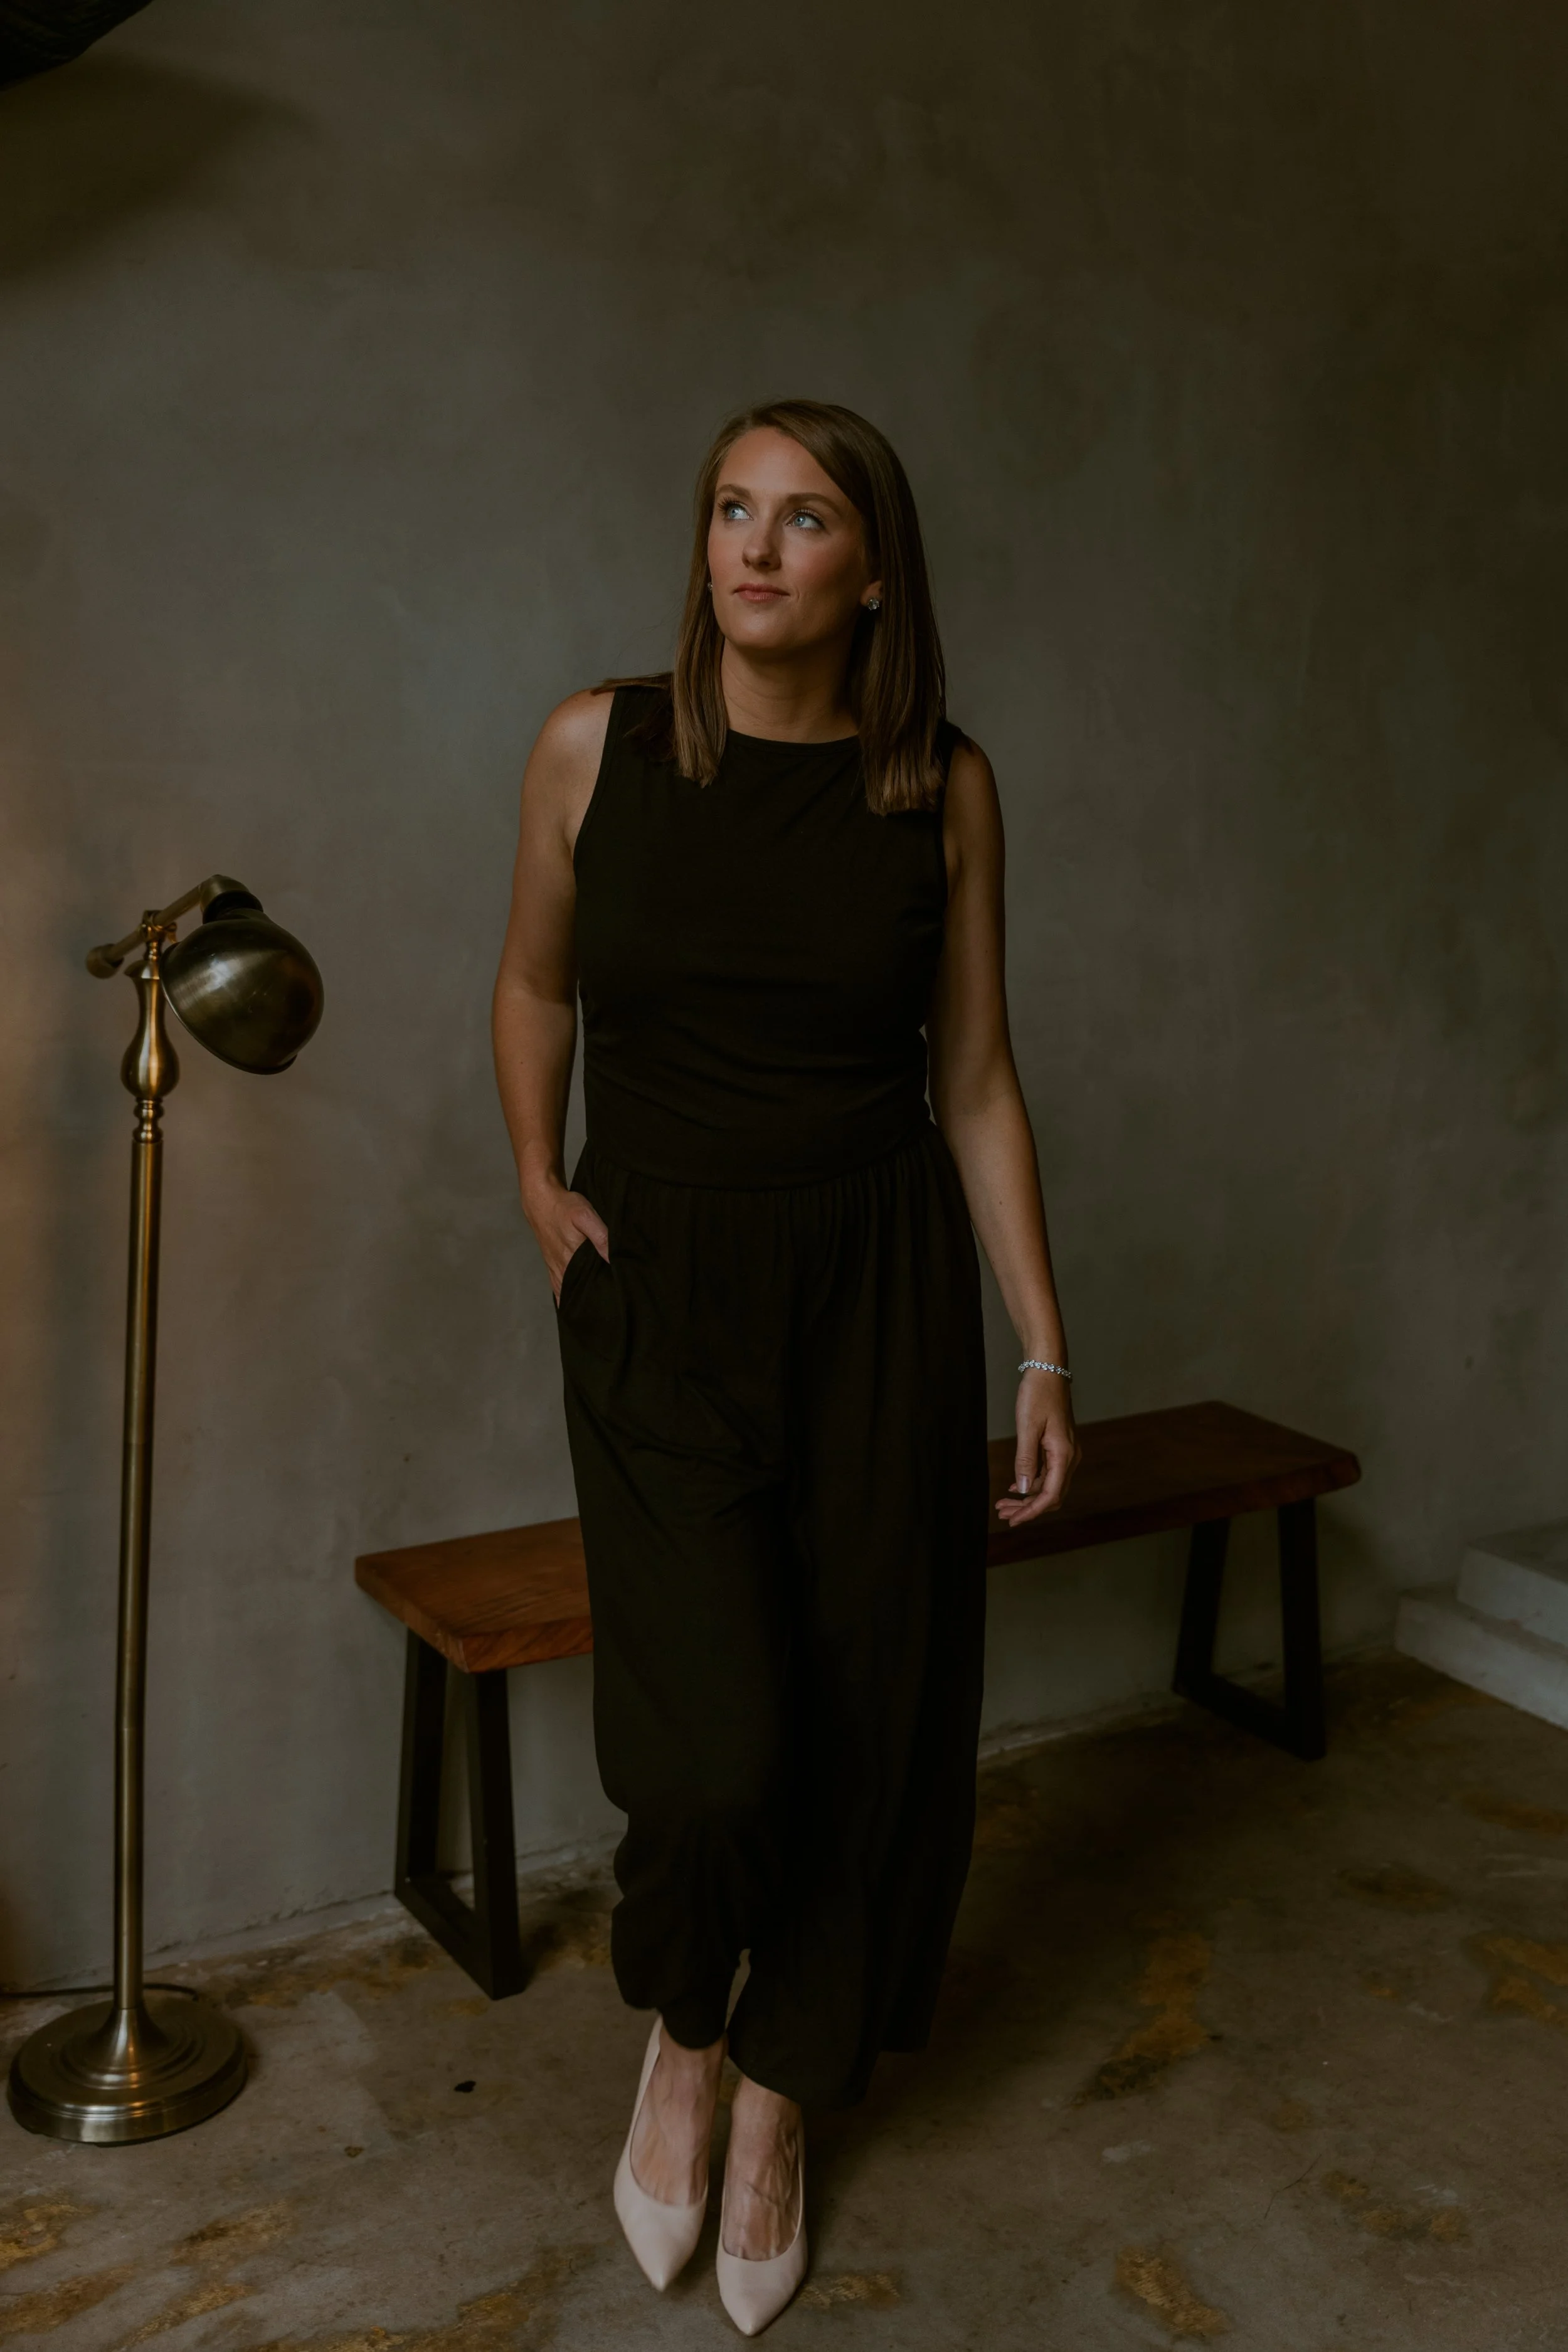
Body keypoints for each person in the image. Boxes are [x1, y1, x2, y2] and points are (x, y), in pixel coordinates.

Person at [492, 398, 1077, 2335]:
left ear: (871, 571)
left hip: (877, 1281)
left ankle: (776, 2098)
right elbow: (532, 979)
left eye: (802, 518)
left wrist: (1042, 1348)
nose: (752, 548)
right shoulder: (598, 744)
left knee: (867, 1710)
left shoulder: (941, 788)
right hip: (662, 1280)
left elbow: (972, 1079)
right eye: (729, 510)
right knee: (717, 1740)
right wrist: (532, 1175)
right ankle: (684, 2022)